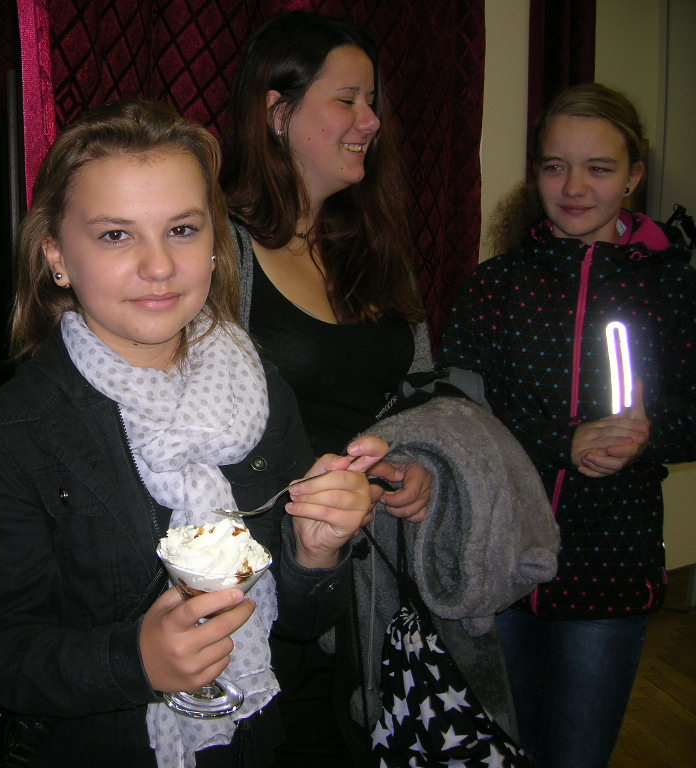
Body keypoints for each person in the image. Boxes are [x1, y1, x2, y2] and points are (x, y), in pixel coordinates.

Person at [0, 99, 393, 768]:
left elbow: (301, 624)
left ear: (215, 245)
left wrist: (318, 551)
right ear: (56, 256)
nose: (158, 266)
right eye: (115, 235)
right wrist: (136, 660)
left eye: (182, 229)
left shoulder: (257, 387)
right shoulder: (8, 436)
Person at [441, 82, 696, 768]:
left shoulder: (673, 287)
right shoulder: (495, 285)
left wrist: (647, 436)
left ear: (634, 176)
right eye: (556, 166)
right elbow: (457, 413)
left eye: (599, 168)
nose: (574, 187)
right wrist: (565, 441)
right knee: (498, 751)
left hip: (609, 572)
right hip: (498, 567)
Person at [218, 12, 435, 763]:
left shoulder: (373, 245)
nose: (370, 121)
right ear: (277, 113)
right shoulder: (219, 249)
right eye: (347, 100)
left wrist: (415, 465)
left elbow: (419, 393)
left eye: (372, 102)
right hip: (267, 587)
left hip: (371, 579)